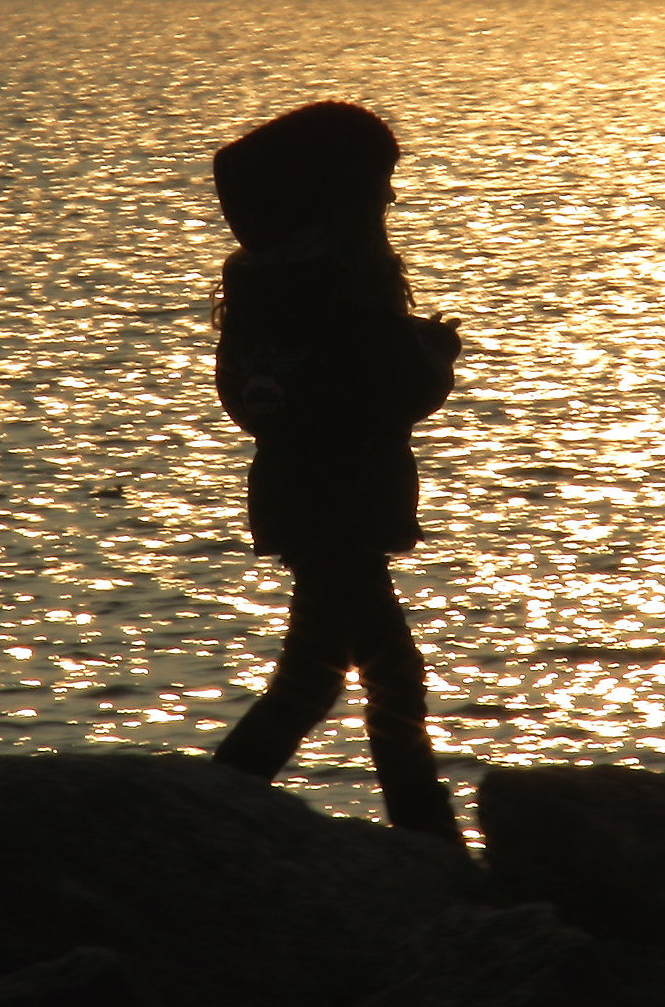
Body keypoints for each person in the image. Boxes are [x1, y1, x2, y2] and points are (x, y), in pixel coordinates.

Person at [206, 101, 464, 839]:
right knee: (390, 679)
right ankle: (429, 845)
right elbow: (390, 389)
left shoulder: (261, 287)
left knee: (312, 679)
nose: (390, 197)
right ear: (341, 190)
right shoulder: (345, 286)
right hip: (343, 506)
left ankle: (210, 809)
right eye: (380, 180)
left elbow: (253, 400)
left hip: (300, 503)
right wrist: (435, 356)